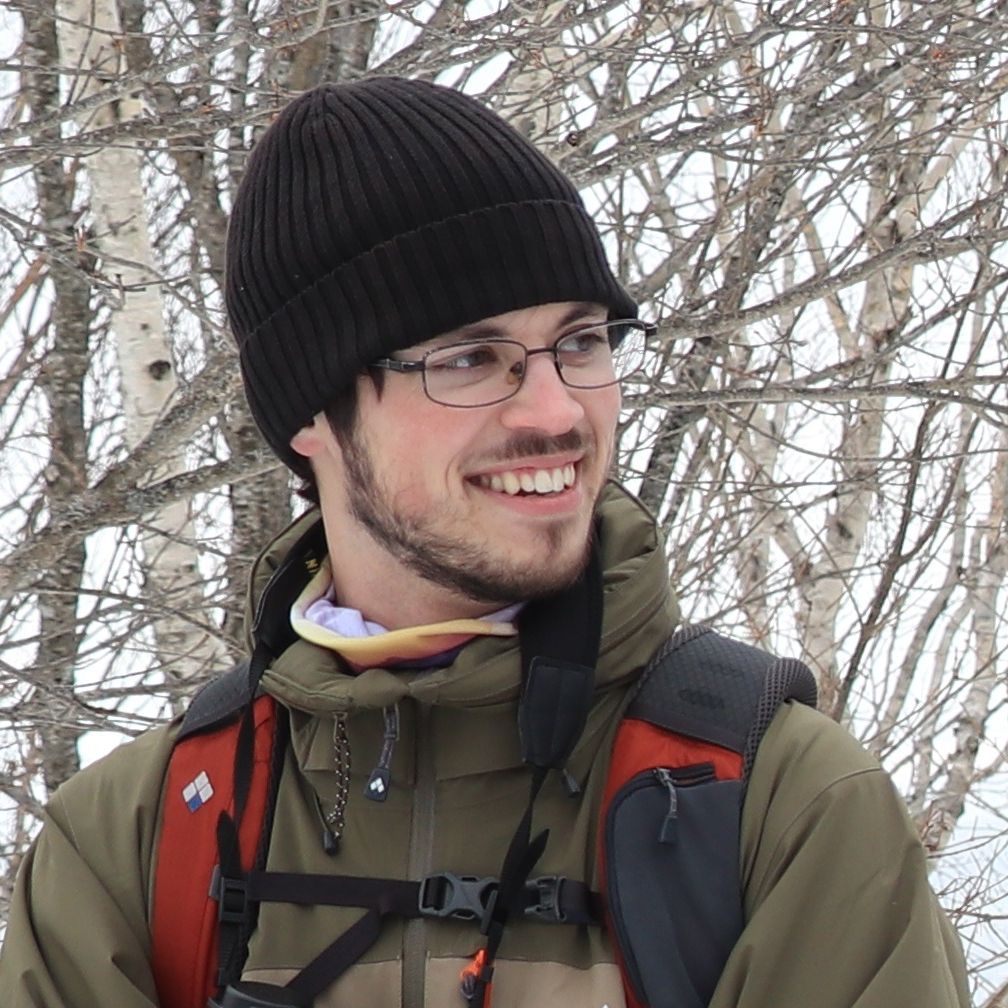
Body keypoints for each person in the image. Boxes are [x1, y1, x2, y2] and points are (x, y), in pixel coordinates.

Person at [0, 76, 970, 1008]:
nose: (555, 411)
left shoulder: (771, 809)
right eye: (472, 359)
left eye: (581, 341)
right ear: (314, 415)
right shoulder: (136, 846)